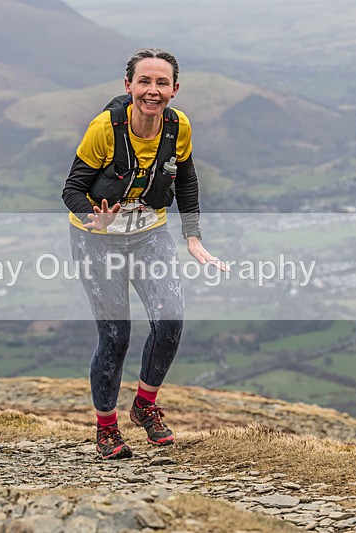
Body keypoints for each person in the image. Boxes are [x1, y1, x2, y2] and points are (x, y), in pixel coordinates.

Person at [62, 48, 229, 459]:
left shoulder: (177, 126)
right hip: (97, 239)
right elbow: (71, 189)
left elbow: (186, 178)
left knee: (170, 318)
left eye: (161, 83)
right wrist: (92, 218)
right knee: (116, 336)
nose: (152, 91)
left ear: (174, 89)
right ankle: (106, 428)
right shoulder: (105, 129)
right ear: (129, 86)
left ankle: (145, 405)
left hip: (148, 232)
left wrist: (192, 236)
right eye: (144, 82)